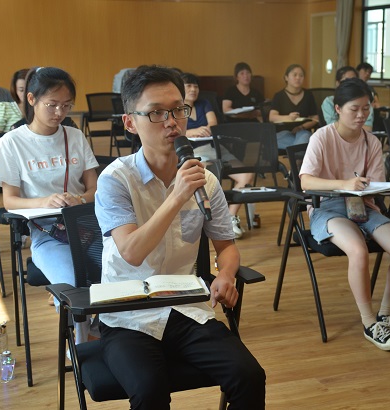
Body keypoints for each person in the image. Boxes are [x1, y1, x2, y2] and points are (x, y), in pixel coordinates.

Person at [94, 65, 266, 410]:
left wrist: (226, 275)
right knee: (149, 390)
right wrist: (176, 196)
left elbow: (226, 245)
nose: (171, 122)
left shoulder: (205, 180)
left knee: (249, 375)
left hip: (185, 308)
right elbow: (131, 252)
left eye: (178, 110)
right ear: (130, 123)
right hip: (127, 315)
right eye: (156, 113)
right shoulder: (115, 179)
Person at [300, 78, 390, 351]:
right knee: (358, 250)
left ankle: (385, 315)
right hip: (328, 208)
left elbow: (375, 184)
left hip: (363, 207)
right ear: (338, 108)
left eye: (366, 108)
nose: (361, 115)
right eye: (354, 109)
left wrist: (376, 188)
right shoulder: (322, 137)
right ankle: (369, 322)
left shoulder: (371, 141)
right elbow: (306, 181)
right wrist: (345, 184)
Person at [0, 66, 99, 344]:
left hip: (89, 228)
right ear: (31, 99)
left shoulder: (74, 136)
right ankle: (81, 348)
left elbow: (95, 189)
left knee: (121, 277)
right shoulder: (12, 143)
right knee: (74, 289)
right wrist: (45, 201)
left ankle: (106, 337)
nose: (59, 112)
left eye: (66, 105)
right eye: (52, 105)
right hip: (48, 234)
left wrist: (79, 199)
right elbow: (9, 201)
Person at [182, 72, 254, 239]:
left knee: (247, 175)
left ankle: (230, 218)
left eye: (196, 86)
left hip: (217, 148)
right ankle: (208, 222)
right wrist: (192, 131)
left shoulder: (204, 103)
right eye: (189, 86)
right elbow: (177, 131)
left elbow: (213, 124)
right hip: (196, 152)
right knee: (207, 178)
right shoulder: (177, 108)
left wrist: (206, 130)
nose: (193, 89)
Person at [268, 64, 319, 149]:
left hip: (302, 131)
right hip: (283, 133)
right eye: (294, 75)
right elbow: (272, 117)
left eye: (301, 75)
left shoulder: (308, 95)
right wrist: (288, 118)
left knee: (303, 138)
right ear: (286, 77)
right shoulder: (279, 96)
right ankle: (298, 152)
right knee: (273, 141)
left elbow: (315, 118)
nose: (298, 78)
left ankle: (295, 152)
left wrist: (301, 127)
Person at [321, 66, 374, 131]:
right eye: (354, 109)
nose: (350, 86)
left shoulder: (365, 101)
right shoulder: (329, 101)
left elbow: (368, 128)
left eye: (354, 81)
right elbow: (333, 127)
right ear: (337, 83)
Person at [0, 68, 29, 135]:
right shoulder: (4, 108)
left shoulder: (42, 108)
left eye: (30, 89)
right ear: (15, 91)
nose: (26, 94)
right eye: (21, 90)